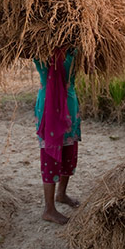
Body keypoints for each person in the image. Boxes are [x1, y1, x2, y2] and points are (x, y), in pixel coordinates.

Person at [34, 48, 81, 224]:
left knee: (69, 149)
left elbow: (91, 69)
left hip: (70, 103)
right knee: (50, 154)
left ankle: (61, 194)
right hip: (49, 107)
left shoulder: (77, 47)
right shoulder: (40, 46)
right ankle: (49, 209)